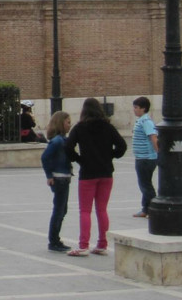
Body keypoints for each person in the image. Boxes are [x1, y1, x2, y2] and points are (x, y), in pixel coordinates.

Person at [65, 97, 127, 257]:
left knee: (85, 210)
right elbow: (122, 145)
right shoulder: (108, 126)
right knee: (102, 209)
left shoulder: (80, 128)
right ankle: (102, 244)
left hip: (88, 173)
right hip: (106, 172)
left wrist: (79, 159)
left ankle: (83, 245)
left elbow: (68, 147)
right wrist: (111, 155)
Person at [40, 110, 73, 253]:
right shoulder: (57, 141)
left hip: (64, 177)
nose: (69, 125)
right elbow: (45, 157)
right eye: (68, 122)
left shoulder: (63, 140)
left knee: (62, 209)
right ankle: (54, 240)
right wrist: (49, 175)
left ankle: (55, 238)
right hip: (59, 178)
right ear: (61, 123)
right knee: (59, 209)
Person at [131, 97, 158, 219]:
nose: (134, 110)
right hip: (141, 157)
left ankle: (154, 208)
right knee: (144, 183)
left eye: (136, 107)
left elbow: (153, 137)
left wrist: (158, 152)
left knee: (145, 185)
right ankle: (146, 209)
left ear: (144, 108)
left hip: (146, 158)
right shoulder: (141, 120)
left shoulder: (146, 121)